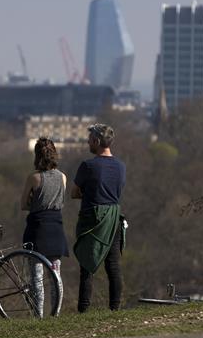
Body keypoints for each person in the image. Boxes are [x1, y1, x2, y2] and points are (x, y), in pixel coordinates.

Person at [71, 123, 126, 312]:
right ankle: (114, 308)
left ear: (96, 141)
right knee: (113, 266)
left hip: (92, 218)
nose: (87, 142)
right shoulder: (121, 166)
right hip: (113, 218)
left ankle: (84, 309)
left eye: (89, 140)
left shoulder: (88, 166)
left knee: (87, 264)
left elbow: (74, 192)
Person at [20, 137, 68, 316]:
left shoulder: (34, 178)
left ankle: (38, 314)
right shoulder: (63, 177)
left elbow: (24, 204)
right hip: (56, 227)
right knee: (55, 275)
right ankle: (56, 314)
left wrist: (35, 202)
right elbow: (61, 202)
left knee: (37, 277)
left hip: (37, 229)